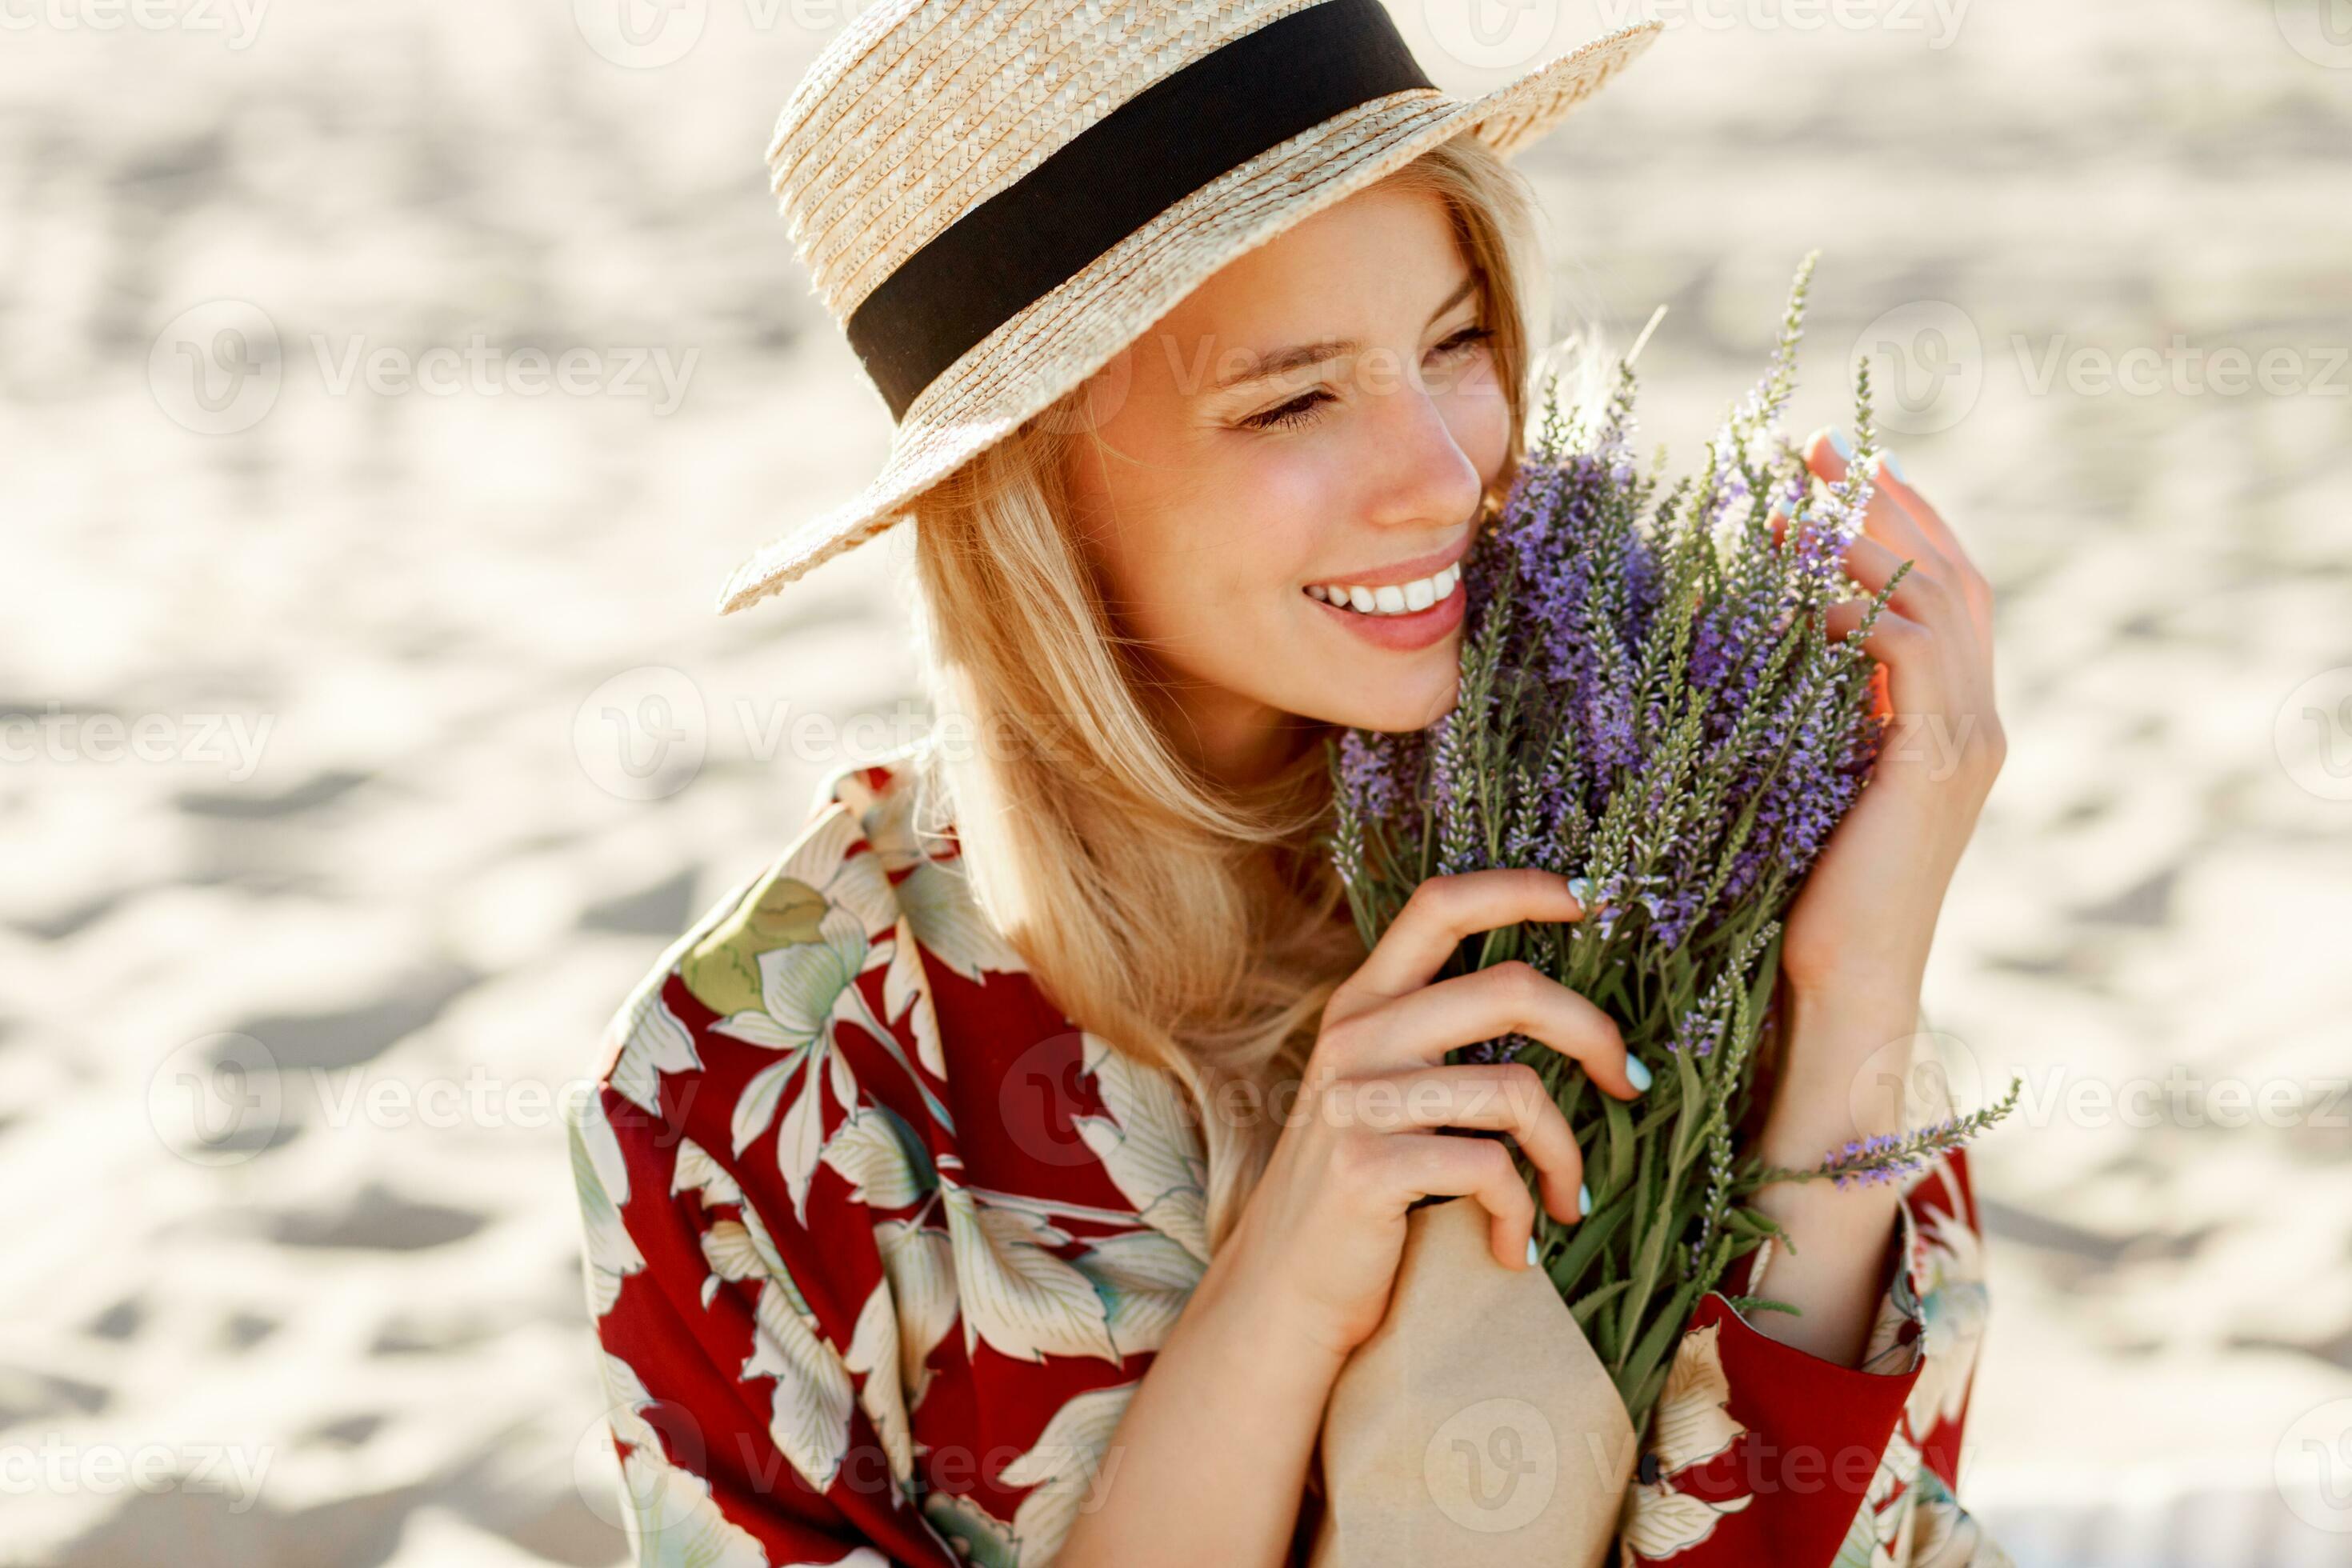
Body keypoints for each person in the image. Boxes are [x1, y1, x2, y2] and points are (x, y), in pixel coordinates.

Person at [568, 2, 2010, 1562]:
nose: (1447, 476)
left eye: (1456, 342)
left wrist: (1850, 992)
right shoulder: (745, 1088)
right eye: (1294, 397)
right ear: (1025, 482)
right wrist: (1281, 1290)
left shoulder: (1646, 836)